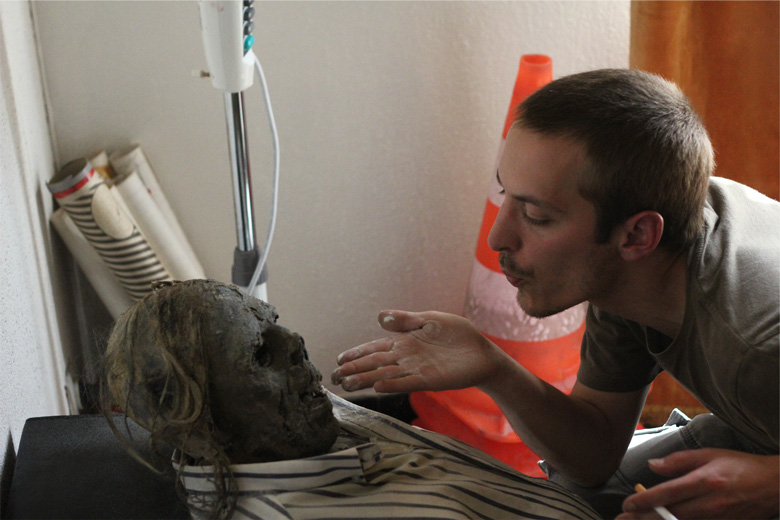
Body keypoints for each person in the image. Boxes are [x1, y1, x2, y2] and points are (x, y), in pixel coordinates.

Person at [331, 69, 780, 519]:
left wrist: (769, 488)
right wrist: (492, 368)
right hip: (756, 428)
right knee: (570, 501)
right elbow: (593, 456)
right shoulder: (632, 275)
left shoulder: (756, 346)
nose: (497, 238)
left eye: (536, 216)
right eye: (505, 194)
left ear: (637, 235)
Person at [103, 279, 602, 520]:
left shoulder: (284, 431)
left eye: (275, 324)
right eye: (259, 354)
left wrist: (491, 365)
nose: (295, 343)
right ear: (204, 426)